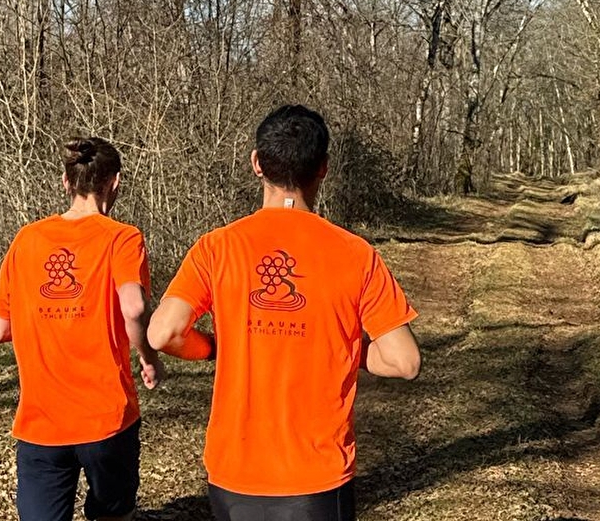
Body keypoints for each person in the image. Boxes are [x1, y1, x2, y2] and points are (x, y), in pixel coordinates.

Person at [148, 105, 421, 521]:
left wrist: (212, 349)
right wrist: (345, 346)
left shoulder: (217, 248)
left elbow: (163, 333)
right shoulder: (356, 256)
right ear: (324, 169)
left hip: (234, 474)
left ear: (257, 163)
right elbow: (405, 362)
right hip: (317, 478)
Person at [0, 137, 163, 521]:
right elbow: (133, 306)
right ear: (115, 183)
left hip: (41, 423)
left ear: (66, 182)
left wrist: (46, 321)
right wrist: (148, 358)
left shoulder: (27, 240)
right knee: (113, 514)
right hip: (106, 419)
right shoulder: (122, 238)